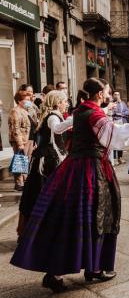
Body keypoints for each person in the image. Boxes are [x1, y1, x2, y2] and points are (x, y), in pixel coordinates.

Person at [11, 78, 129, 293]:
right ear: (100, 94)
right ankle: (87, 269)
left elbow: (63, 129)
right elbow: (115, 135)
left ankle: (78, 269)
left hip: (73, 168)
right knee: (97, 216)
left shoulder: (81, 111)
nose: (110, 93)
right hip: (91, 171)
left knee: (75, 218)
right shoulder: (94, 114)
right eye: (108, 91)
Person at [17, 91, 73, 235]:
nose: (66, 104)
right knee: (44, 194)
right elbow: (56, 129)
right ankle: (42, 232)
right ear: (57, 102)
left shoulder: (56, 115)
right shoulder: (53, 116)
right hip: (48, 162)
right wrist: (76, 119)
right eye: (64, 101)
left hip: (52, 158)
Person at [8, 90, 33, 191]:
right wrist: (19, 143)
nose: (29, 101)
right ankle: (19, 182)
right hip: (21, 140)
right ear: (19, 101)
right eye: (26, 100)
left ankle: (24, 180)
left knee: (25, 160)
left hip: (28, 139)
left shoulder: (25, 110)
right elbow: (15, 128)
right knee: (19, 160)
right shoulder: (15, 111)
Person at [111, 91, 129, 165]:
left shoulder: (123, 103)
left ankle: (120, 158)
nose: (116, 96)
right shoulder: (112, 103)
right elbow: (113, 113)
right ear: (113, 95)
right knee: (115, 140)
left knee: (121, 140)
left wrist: (120, 114)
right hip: (115, 122)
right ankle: (114, 159)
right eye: (115, 94)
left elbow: (126, 112)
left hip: (122, 122)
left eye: (118, 94)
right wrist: (120, 114)